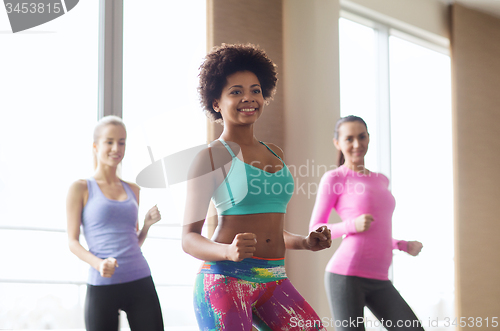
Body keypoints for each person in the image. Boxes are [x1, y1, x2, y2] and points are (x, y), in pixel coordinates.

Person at [182, 43, 332, 330]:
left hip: (274, 278)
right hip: (225, 280)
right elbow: (188, 239)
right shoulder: (210, 157)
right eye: (236, 91)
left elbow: (268, 225)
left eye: (255, 90)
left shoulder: (274, 152)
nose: (248, 98)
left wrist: (304, 242)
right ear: (216, 102)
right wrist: (227, 252)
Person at [309, 115, 424, 331]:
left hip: (379, 277)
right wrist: (351, 225)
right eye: (349, 139)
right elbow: (315, 229)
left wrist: (403, 245)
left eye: (362, 137)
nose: (356, 144)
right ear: (337, 143)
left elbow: (377, 233)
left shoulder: (381, 179)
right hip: (346, 276)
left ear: (369, 138)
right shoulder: (335, 178)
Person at [66, 115, 164, 331]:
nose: (116, 148)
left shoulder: (133, 189)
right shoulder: (80, 188)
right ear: (95, 146)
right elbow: (72, 242)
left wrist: (146, 225)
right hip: (102, 284)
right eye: (109, 141)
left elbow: (133, 241)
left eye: (121, 142)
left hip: (140, 278)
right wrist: (98, 264)